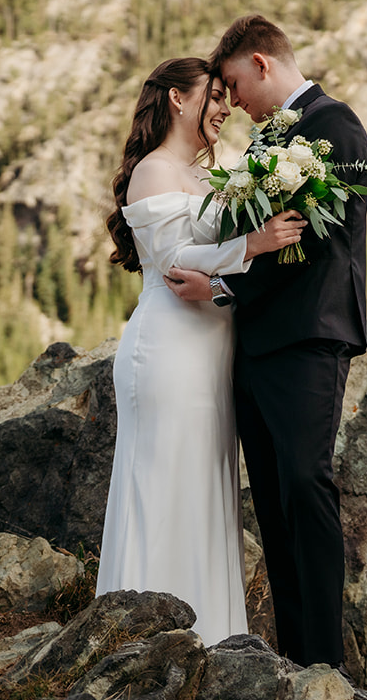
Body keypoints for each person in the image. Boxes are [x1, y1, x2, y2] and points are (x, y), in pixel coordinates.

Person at [165, 15, 367, 669]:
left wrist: (224, 288)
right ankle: (292, 661)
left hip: (308, 339)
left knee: (307, 487)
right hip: (253, 350)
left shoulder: (338, 127)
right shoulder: (269, 142)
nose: (232, 103)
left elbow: (324, 243)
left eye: (232, 84)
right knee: (275, 509)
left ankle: (326, 665)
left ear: (261, 64)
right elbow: (245, 230)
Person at [97, 56, 306, 646]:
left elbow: (210, 272)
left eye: (225, 95)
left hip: (213, 351)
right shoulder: (154, 172)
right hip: (168, 351)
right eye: (213, 95)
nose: (224, 108)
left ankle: (208, 643)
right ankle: (138, 643)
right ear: (175, 99)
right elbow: (171, 264)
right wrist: (255, 244)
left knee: (206, 491)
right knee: (163, 482)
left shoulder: (211, 174)